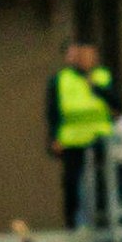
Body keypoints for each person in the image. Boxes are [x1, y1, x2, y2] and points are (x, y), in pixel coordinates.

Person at [47, 41, 115, 230]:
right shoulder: (61, 79)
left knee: (102, 179)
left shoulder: (102, 76)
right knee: (71, 181)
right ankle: (72, 223)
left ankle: (102, 220)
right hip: (72, 138)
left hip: (99, 137)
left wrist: (96, 87)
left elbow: (116, 102)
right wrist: (54, 137)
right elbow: (52, 110)